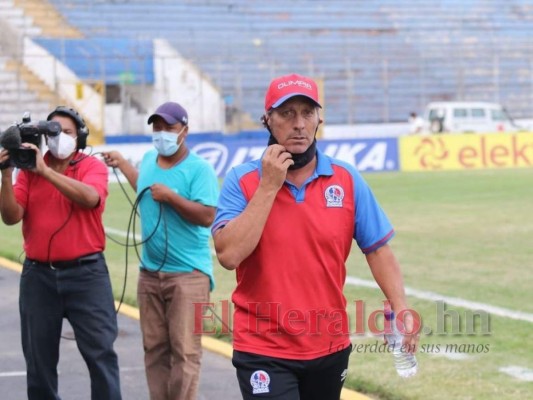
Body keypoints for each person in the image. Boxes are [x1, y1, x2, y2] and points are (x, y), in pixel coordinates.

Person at [212, 73, 420, 400]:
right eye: (287, 113)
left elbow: (378, 250)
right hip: (263, 348)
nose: (298, 124)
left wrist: (401, 306)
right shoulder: (242, 180)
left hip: (329, 345)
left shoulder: (346, 179)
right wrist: (268, 186)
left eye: (307, 113)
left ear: (319, 119)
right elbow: (228, 255)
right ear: (267, 119)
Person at [0, 106, 122, 399]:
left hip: (87, 275)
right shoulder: (29, 171)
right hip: (38, 276)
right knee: (38, 362)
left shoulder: (91, 165)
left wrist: (45, 171)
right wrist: (6, 176)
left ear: (79, 137)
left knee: (101, 357)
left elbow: (91, 198)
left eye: (66, 132)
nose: (60, 139)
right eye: (53, 132)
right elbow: (11, 216)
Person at [102, 101, 219, 400]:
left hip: (189, 276)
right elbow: (143, 187)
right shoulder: (149, 160)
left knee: (185, 351)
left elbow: (207, 216)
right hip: (150, 272)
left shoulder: (200, 169)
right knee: (154, 348)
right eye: (157, 127)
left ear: (185, 131)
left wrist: (172, 198)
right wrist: (123, 164)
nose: (162, 133)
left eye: (169, 127)